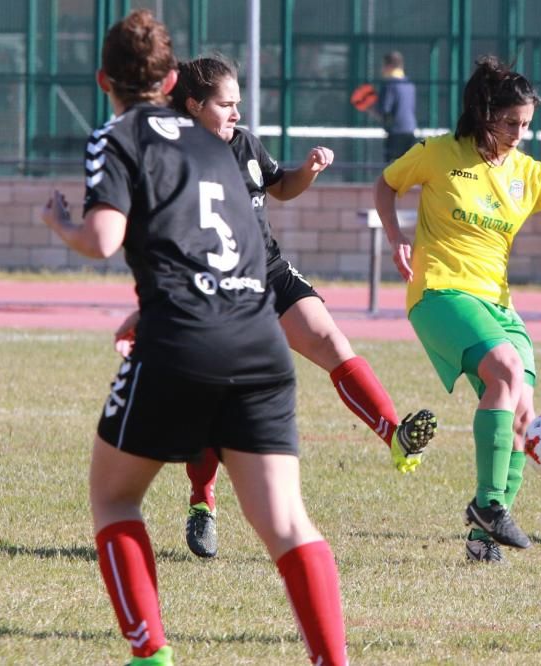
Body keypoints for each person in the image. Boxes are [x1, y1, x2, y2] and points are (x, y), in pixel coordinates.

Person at [40, 11, 347, 665]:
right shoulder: (217, 142)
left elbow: (104, 240)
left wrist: (61, 223)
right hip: (258, 336)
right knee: (288, 524)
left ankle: (151, 656)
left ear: (103, 80)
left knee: (114, 496)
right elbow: (240, 248)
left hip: (183, 341)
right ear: (174, 79)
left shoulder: (116, 134)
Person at [112, 54, 438, 560]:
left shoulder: (243, 144)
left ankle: (394, 436)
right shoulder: (173, 157)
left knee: (331, 340)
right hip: (214, 290)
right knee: (213, 396)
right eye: (226, 104)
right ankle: (202, 500)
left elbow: (279, 187)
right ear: (194, 105)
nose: (237, 114)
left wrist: (305, 170)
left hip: (269, 271)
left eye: (239, 103)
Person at [373, 55, 541, 564]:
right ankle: (489, 505)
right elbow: (386, 183)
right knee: (508, 370)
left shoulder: (528, 174)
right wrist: (396, 235)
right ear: (485, 113)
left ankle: (482, 536)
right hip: (440, 293)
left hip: (497, 304)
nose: (519, 133)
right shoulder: (439, 153)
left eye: (527, 124)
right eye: (511, 122)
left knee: (522, 412)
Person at [371, 51, 418, 162]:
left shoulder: (389, 85)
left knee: (392, 171)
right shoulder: (410, 85)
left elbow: (384, 111)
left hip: (396, 133)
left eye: (383, 65)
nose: (381, 69)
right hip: (410, 131)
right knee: (408, 169)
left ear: (389, 66)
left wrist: (369, 108)